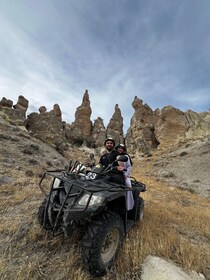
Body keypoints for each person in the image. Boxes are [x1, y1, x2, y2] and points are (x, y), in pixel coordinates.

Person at [116, 144, 134, 210]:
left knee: (128, 185)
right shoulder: (115, 155)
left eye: (121, 148)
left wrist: (126, 175)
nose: (120, 149)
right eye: (119, 148)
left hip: (124, 174)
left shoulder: (126, 156)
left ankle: (129, 206)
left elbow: (129, 166)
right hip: (116, 175)